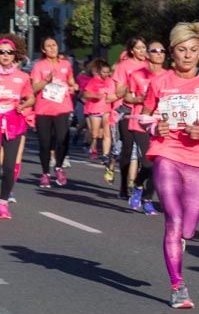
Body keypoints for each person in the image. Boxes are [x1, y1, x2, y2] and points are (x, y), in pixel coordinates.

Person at [141, 22, 199, 308]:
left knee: (188, 228)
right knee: (174, 220)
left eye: (193, 50)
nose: (188, 55)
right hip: (167, 153)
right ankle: (178, 286)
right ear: (172, 52)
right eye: (182, 50)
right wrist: (156, 127)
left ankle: (181, 241)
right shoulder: (160, 82)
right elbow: (145, 116)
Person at [125, 41, 168, 215]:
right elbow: (127, 96)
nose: (159, 53)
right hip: (141, 123)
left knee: (158, 165)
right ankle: (138, 186)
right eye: (154, 51)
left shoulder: (169, 76)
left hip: (162, 125)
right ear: (148, 54)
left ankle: (147, 199)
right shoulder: (137, 75)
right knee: (148, 163)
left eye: (162, 50)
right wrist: (141, 99)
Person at [30, 37, 78, 188]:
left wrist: (73, 87)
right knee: (45, 143)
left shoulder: (65, 64)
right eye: (48, 46)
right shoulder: (39, 66)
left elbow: (72, 82)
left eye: (54, 45)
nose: (52, 48)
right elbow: (34, 88)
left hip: (62, 108)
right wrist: (46, 80)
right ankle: (45, 174)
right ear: (44, 50)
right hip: (43, 110)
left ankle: (59, 168)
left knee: (62, 140)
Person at [0, 38, 34, 218]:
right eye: (1, 52)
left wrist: (24, 104)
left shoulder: (22, 77)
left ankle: (3, 202)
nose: (5, 55)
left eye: (9, 52)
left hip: (13, 123)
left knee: (9, 166)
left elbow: (31, 97)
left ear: (14, 55)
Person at [112, 38, 150, 199]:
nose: (142, 51)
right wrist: (130, 87)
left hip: (148, 113)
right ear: (132, 50)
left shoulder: (150, 65)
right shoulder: (123, 66)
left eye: (144, 47)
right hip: (127, 111)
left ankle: (139, 184)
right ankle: (123, 185)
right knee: (127, 149)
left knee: (147, 153)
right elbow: (119, 91)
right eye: (139, 48)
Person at [81, 60, 117, 165]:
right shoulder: (94, 80)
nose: (105, 74)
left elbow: (115, 94)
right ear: (100, 72)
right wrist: (95, 96)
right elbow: (85, 94)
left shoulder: (111, 81)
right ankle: (93, 146)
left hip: (107, 110)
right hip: (95, 109)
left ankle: (105, 155)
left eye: (107, 72)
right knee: (95, 133)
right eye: (103, 72)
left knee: (107, 133)